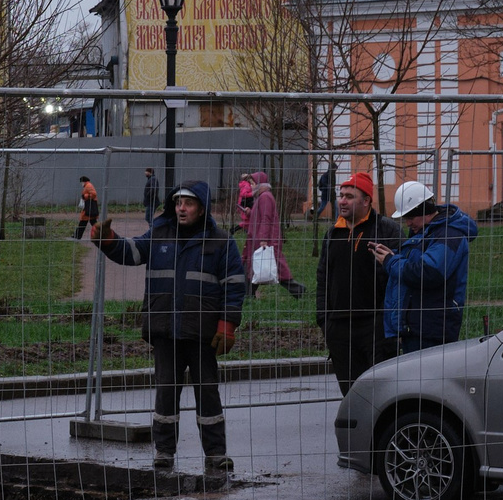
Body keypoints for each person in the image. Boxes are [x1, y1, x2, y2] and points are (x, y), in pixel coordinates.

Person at [93, 181, 245, 477]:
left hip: (202, 334)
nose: (181, 208)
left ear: (202, 208)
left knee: (208, 394)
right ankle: (164, 453)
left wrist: (227, 325)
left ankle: (216, 455)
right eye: (177, 203)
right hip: (165, 332)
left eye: (188, 204)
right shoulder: (160, 234)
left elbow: (235, 287)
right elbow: (132, 252)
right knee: (165, 394)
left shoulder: (221, 242)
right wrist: (108, 240)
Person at [376, 180, 478, 353]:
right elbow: (417, 264)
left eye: (410, 217)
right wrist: (394, 257)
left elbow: (428, 272)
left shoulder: (449, 235)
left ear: (425, 210)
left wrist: (391, 262)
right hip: (419, 328)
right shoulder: (427, 232)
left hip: (432, 331)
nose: (407, 223)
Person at [316, 174, 396, 393]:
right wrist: (324, 320)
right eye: (341, 195)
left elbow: (401, 277)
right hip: (339, 330)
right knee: (352, 397)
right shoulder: (333, 233)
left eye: (350, 196)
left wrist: (387, 323)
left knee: (381, 394)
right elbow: (323, 277)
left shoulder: (387, 230)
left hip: (375, 328)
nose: (342, 201)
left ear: (366, 200)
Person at [242, 171, 304, 300]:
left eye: (253, 183)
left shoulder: (265, 197)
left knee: (272, 267)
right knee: (256, 267)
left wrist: (264, 239)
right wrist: (250, 213)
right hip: (260, 240)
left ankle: (298, 290)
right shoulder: (262, 197)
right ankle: (248, 294)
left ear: (260, 184)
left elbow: (266, 218)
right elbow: (260, 216)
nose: (251, 186)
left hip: (265, 241)